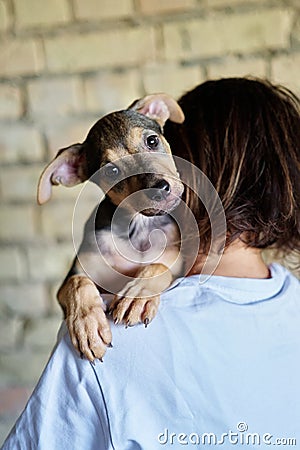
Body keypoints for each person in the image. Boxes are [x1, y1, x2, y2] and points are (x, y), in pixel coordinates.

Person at [2, 78, 300, 450]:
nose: (150, 179)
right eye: (113, 172)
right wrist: (82, 289)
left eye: (154, 143)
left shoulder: (106, 344)